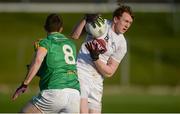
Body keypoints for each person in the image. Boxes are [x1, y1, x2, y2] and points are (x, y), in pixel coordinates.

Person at [70, 5, 134, 113]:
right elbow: (75, 36)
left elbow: (109, 72)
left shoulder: (122, 44)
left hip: (97, 81)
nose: (127, 25)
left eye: (130, 23)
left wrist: (96, 58)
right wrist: (85, 19)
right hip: (82, 71)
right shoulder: (100, 24)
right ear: (116, 19)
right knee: (82, 111)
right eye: (125, 21)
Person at [12, 13, 80, 113]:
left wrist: (25, 84)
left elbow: (38, 60)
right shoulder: (71, 44)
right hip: (74, 94)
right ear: (61, 28)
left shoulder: (45, 42)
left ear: (45, 28)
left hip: (54, 92)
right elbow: (56, 66)